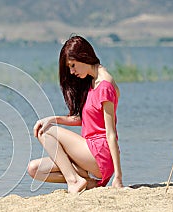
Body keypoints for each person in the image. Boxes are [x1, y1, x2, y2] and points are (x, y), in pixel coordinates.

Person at [28, 35, 123, 194]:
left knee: (45, 131)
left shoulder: (105, 85)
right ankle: (88, 181)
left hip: (100, 154)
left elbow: (111, 133)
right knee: (34, 169)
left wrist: (118, 177)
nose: (72, 72)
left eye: (73, 65)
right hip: (88, 154)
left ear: (83, 57)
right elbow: (85, 119)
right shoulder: (92, 81)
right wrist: (53, 119)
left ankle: (74, 180)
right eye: (69, 67)